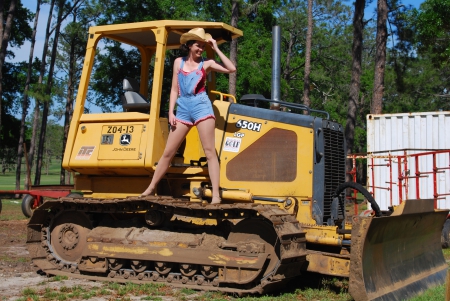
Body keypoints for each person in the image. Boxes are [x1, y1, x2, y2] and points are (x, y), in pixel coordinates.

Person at [140, 28, 236, 204]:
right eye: (198, 46)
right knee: (168, 152)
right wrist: (170, 112)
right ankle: (151, 187)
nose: (201, 49)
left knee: (209, 152)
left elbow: (232, 69)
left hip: (201, 107)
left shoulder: (206, 63)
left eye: (202, 46)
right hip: (183, 108)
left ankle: (216, 194)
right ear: (190, 45)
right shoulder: (178, 62)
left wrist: (215, 48)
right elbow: (175, 89)